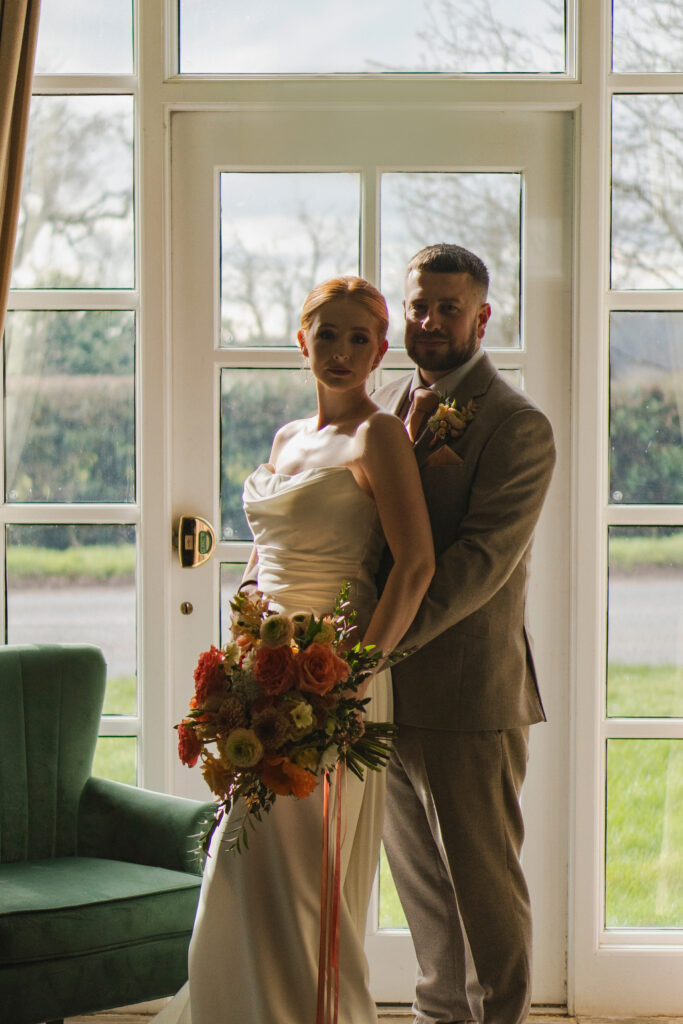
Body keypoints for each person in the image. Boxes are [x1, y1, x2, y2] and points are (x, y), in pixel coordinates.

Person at [155, 276, 434, 1024]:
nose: (341, 352)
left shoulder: (379, 436)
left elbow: (414, 566)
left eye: (358, 339)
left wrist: (356, 674)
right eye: (328, 334)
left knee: (308, 872)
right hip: (262, 673)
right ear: (301, 339)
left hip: (334, 683)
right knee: (241, 864)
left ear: (379, 351)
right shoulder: (287, 438)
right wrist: (238, 642)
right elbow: (261, 554)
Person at [372, 244, 556, 1024]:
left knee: (481, 890)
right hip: (380, 695)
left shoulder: (515, 425)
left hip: (467, 697)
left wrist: (372, 647)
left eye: (450, 308)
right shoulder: (382, 405)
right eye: (419, 305)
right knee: (419, 892)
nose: (431, 320)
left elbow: (480, 562)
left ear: (482, 318)